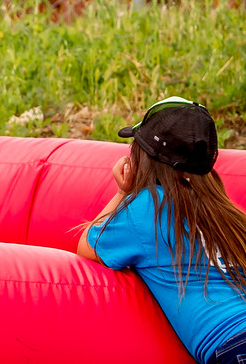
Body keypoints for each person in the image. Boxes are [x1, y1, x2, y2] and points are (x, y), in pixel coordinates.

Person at [78, 96, 246, 364]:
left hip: (232, 343)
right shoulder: (225, 212)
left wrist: (122, 192)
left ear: (145, 157)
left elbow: (87, 246)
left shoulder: (146, 208)